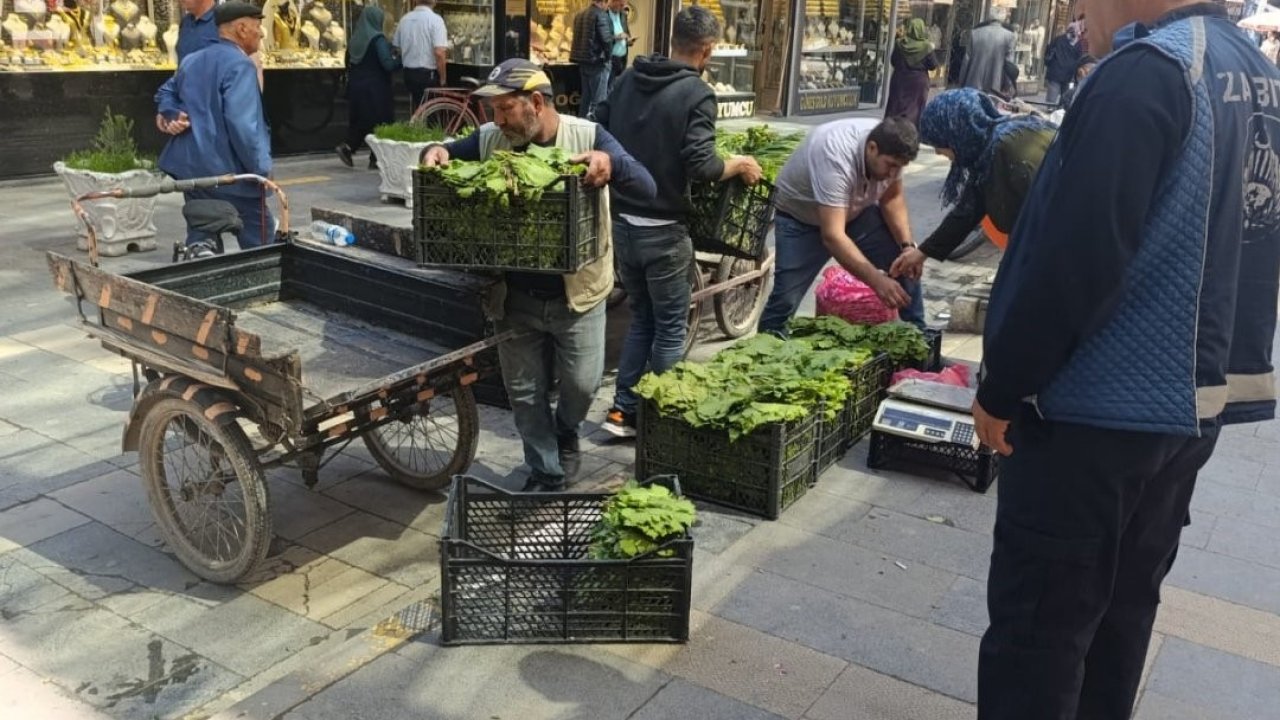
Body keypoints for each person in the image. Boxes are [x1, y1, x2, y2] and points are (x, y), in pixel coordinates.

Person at [971, 1, 1280, 718]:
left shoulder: (1147, 72)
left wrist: (1003, 386)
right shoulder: (1255, 73)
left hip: (1096, 414)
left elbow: (1073, 255)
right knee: (1119, 618)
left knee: (1039, 636)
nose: (1081, 12)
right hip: (1188, 408)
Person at [420, 59, 656, 492]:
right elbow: (447, 153)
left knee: (582, 387)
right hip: (514, 298)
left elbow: (646, 185)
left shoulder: (587, 135)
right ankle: (546, 472)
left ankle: (566, 431)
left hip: (578, 296)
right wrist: (435, 151)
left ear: (535, 102)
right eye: (493, 112)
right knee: (526, 397)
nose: (497, 121)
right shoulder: (493, 140)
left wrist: (610, 164)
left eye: (505, 110)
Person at [593, 6, 763, 438]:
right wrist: (739, 162)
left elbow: (600, 127)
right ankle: (657, 420)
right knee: (670, 327)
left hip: (624, 225)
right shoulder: (697, 94)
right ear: (706, 51)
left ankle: (623, 412)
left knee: (642, 321)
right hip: (664, 230)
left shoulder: (630, 76)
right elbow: (703, 165)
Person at [756, 117, 924, 337]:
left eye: (899, 168)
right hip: (801, 219)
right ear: (872, 148)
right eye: (890, 165)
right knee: (785, 300)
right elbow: (833, 236)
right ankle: (766, 349)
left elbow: (892, 198)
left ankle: (921, 338)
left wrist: (907, 247)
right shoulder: (835, 155)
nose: (893, 173)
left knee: (904, 264)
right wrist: (877, 281)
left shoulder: (892, 147)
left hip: (855, 212)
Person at [891, 89, 1054, 279]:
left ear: (957, 133)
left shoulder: (1009, 151)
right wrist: (921, 253)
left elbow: (1045, 223)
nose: (937, 152)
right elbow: (968, 211)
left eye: (939, 142)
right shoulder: (988, 150)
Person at [156, 2, 274, 250]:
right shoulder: (240, 65)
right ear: (241, 29)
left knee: (202, 235)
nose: (261, 33)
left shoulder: (192, 60)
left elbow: (166, 89)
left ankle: (200, 269)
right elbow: (244, 127)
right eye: (257, 26)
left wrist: (170, 111)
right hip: (230, 173)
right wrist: (261, 171)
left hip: (194, 173)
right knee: (261, 239)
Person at [336, 5, 400, 169]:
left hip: (356, 87)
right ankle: (373, 157)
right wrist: (402, 60)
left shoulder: (355, 39)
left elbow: (347, 63)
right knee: (381, 122)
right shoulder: (378, 39)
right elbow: (387, 64)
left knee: (363, 120)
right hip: (376, 89)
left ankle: (356, 150)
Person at [153, 0, 219, 137]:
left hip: (215, 115)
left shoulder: (224, 21)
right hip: (186, 115)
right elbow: (181, 71)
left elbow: (250, 66)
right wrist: (168, 109)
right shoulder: (186, 23)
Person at [393, 0, 448, 112]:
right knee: (431, 113)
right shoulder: (436, 20)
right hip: (427, 75)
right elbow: (439, 53)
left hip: (408, 73)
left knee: (417, 108)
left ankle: (416, 125)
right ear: (434, 2)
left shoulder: (404, 20)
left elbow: (397, 47)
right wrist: (443, 78)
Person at [884, 18, 938, 127]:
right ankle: (910, 132)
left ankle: (890, 130)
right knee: (915, 109)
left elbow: (893, 61)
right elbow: (933, 65)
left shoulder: (900, 43)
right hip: (918, 83)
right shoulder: (927, 47)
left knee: (896, 106)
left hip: (900, 79)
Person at [569, 0, 612, 118]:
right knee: (598, 101)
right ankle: (596, 131)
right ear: (604, 2)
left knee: (586, 100)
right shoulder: (601, 15)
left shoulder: (579, 15)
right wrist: (608, 58)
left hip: (583, 62)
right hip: (597, 62)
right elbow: (606, 40)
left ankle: (582, 129)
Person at [958, 7, 1016, 94]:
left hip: (972, 84)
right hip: (995, 87)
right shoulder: (1009, 36)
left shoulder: (975, 33)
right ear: (1003, 18)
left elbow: (966, 60)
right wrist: (1007, 86)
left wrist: (961, 82)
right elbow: (1009, 64)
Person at [1042, 26, 1082, 105]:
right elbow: (1079, 58)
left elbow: (1048, 53)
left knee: (1052, 98)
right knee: (1065, 97)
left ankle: (1051, 109)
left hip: (1056, 71)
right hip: (1068, 74)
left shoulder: (1058, 40)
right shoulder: (1078, 45)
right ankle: (1061, 109)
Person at [606, 0, 634, 90]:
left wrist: (629, 40)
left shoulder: (623, 15)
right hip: (610, 58)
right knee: (609, 88)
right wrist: (616, 37)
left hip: (622, 58)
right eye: (621, 5)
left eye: (624, 5)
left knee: (620, 88)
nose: (623, 7)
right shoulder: (604, 14)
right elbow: (602, 37)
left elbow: (627, 32)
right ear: (613, 2)